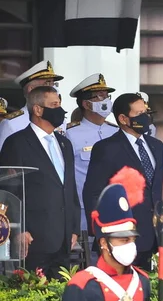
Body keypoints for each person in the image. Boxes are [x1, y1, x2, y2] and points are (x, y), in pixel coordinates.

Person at [60, 169, 163, 301]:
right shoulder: (81, 286)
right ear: (103, 243)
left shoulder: (142, 281)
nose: (130, 245)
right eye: (123, 240)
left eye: (132, 239)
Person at [0, 86, 79, 279]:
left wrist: (74, 227)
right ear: (37, 109)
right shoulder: (17, 143)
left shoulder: (64, 143)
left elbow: (69, 188)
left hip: (63, 237)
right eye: (54, 105)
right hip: (33, 238)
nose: (59, 110)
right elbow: (9, 190)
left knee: (60, 296)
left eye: (59, 104)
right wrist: (19, 229)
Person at [83, 93, 163, 271]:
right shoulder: (107, 148)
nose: (145, 118)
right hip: (122, 236)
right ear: (123, 118)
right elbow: (93, 193)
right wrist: (100, 234)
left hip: (155, 236)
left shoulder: (156, 146)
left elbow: (156, 190)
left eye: (146, 112)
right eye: (139, 114)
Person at [66, 73, 119, 259]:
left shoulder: (116, 132)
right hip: (84, 212)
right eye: (98, 96)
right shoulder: (70, 134)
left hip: (116, 209)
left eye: (106, 96)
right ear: (86, 104)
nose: (104, 100)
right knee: (87, 262)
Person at [0, 61, 63, 150]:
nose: (53, 88)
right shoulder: (12, 124)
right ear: (31, 89)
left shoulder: (59, 119)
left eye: (53, 84)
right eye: (47, 83)